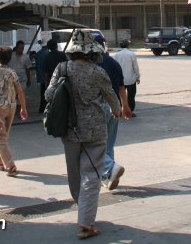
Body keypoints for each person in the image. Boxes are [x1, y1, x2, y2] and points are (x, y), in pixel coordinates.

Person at [45, 30, 121, 240]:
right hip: (95, 130)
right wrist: (117, 110)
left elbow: (49, 95)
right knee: (92, 175)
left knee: (75, 174)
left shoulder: (62, 69)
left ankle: (84, 212)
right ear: (91, 53)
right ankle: (86, 221)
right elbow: (111, 97)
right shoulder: (98, 72)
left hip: (69, 130)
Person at [0, 45, 27, 176]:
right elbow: (20, 91)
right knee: (4, 135)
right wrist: (23, 108)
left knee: (0, 138)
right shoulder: (12, 72)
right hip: (11, 107)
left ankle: (10, 165)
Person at [95, 35, 131, 191]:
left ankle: (111, 168)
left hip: (99, 108)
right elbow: (122, 87)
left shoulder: (94, 64)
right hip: (115, 108)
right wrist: (125, 106)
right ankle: (108, 177)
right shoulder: (114, 63)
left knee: (94, 146)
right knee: (108, 145)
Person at [113, 39, 141, 116]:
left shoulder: (116, 55)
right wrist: (138, 77)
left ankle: (120, 110)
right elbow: (135, 67)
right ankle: (130, 111)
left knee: (120, 96)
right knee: (131, 96)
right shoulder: (131, 54)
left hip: (120, 80)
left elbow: (114, 67)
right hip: (130, 79)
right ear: (128, 45)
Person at [35, 38, 51, 113]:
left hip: (41, 77)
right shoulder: (48, 54)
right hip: (48, 77)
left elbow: (37, 67)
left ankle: (42, 108)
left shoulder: (38, 54)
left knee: (42, 93)